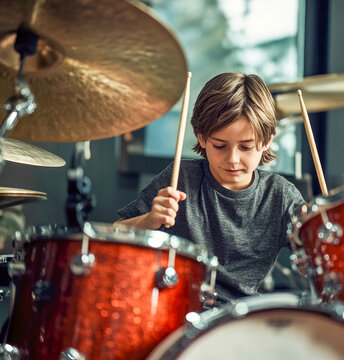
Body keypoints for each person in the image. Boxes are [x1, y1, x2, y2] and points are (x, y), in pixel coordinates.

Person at [116, 72, 306, 304]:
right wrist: (149, 221)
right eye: (220, 146)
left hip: (239, 318)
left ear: (267, 141)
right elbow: (116, 232)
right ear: (202, 138)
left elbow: (313, 259)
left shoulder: (280, 195)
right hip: (176, 305)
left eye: (246, 147)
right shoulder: (181, 178)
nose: (233, 159)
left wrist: (310, 248)